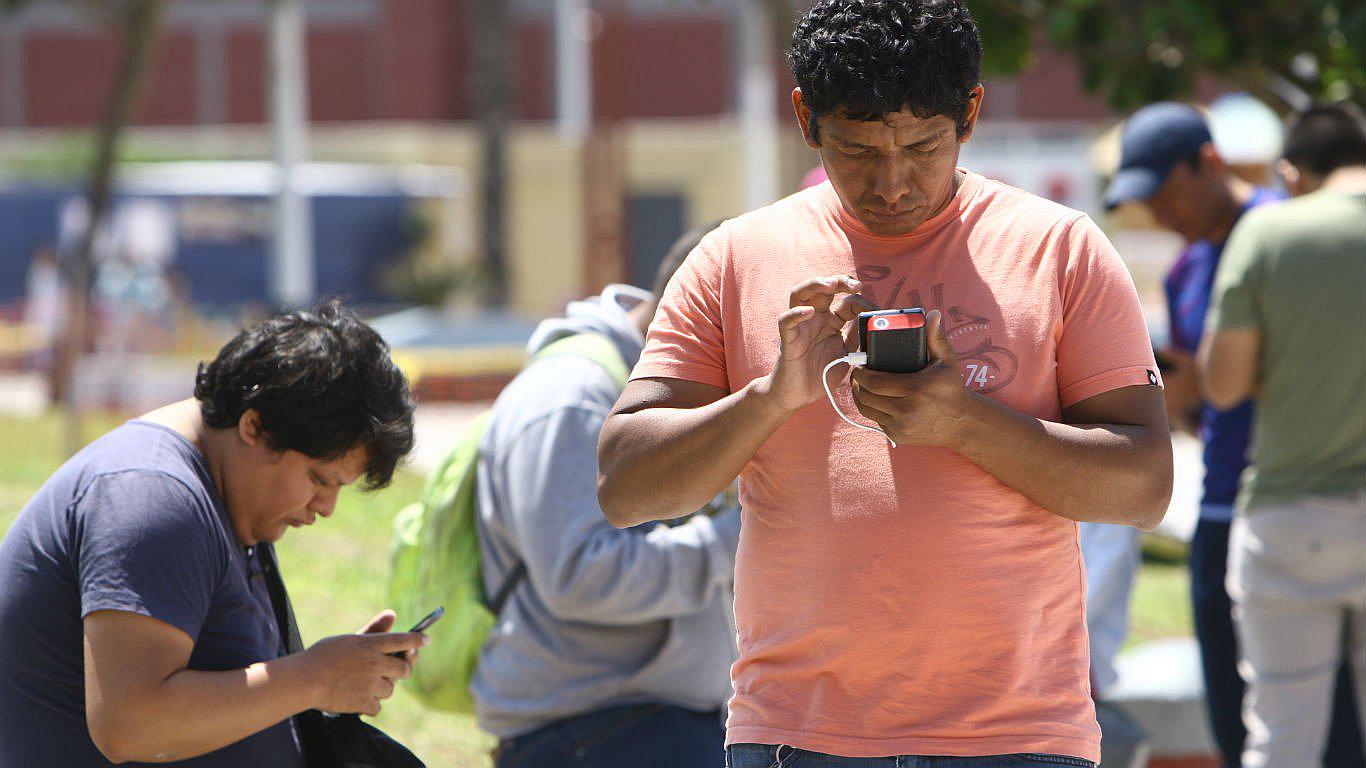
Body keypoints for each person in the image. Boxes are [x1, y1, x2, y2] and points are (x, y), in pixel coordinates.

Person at [598, 2, 1172, 765]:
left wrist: (965, 422)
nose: (892, 184)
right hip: (795, 738)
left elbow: (1143, 488)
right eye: (859, 149)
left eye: (923, 146)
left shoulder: (1061, 250)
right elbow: (625, 487)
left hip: (1017, 738)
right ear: (805, 118)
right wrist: (770, 398)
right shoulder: (734, 258)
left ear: (970, 112)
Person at [0, 300, 424, 767]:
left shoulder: (226, 492)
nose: (326, 507)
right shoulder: (153, 495)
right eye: (319, 480)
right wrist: (313, 678)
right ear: (254, 427)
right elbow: (129, 726)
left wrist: (331, 677)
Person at [1104, 101, 1362, 768]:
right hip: (1223, 509)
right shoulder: (1189, 266)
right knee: (1236, 724)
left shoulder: (1284, 230)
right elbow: (1205, 399)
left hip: (1295, 500)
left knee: (1322, 734)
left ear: (1208, 162)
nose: (1158, 214)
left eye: (1165, 192)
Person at [474, 223, 740, 767]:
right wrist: (739, 538)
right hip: (593, 732)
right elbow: (580, 578)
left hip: (659, 722)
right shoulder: (570, 400)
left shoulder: (668, 388)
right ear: (697, 321)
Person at [1199, 102, 1366, 768]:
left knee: (1282, 739)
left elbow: (1224, 384)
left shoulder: (1269, 233)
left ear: (1293, 171)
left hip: (1291, 517)